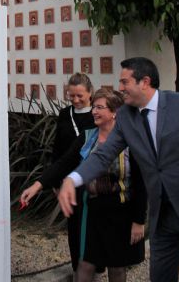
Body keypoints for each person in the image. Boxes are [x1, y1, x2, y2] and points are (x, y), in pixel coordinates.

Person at [58, 57, 179, 282]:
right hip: (163, 218)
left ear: (145, 82)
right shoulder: (125, 117)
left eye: (124, 82)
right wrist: (73, 179)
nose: (120, 88)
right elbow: (103, 155)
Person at [21, 89, 146, 281]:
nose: (94, 111)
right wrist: (37, 185)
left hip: (121, 212)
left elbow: (140, 182)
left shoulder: (129, 139)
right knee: (86, 263)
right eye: (94, 106)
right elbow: (63, 163)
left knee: (117, 266)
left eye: (100, 107)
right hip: (92, 212)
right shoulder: (88, 137)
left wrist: (139, 221)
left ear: (114, 112)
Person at [50, 74, 96, 272]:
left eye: (80, 96)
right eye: (72, 96)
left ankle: (96, 264)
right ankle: (78, 266)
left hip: (94, 177)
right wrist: (54, 179)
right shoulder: (64, 114)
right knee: (74, 225)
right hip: (69, 177)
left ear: (90, 93)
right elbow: (58, 147)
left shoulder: (97, 113)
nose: (76, 100)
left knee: (94, 223)